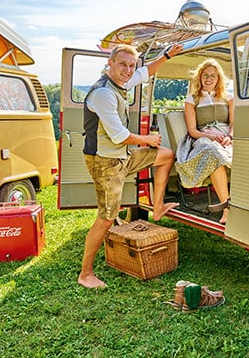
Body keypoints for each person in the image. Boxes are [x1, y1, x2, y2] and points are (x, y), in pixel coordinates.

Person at [78, 43, 183, 289]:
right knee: (106, 217)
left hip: (122, 155)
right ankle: (85, 274)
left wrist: (166, 55)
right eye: (122, 64)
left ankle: (157, 208)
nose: (128, 70)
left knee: (165, 155)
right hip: (105, 161)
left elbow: (146, 72)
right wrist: (147, 139)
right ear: (110, 64)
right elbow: (118, 135)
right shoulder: (103, 93)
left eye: (131, 65)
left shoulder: (122, 82)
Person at [175, 59, 233, 224]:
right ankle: (227, 209)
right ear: (199, 78)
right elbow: (193, 131)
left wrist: (229, 136)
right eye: (205, 75)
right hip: (203, 138)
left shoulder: (228, 97)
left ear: (218, 78)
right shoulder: (191, 99)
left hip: (226, 137)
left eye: (213, 76)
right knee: (212, 153)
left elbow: (234, 123)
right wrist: (211, 137)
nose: (208, 79)